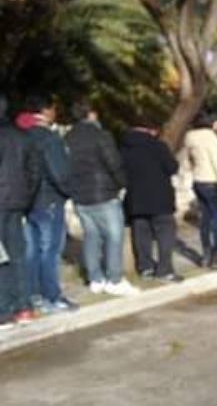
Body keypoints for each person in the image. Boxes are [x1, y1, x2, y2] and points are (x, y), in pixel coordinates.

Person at [66, 103, 138, 296]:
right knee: (114, 237)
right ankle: (115, 279)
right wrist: (122, 184)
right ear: (91, 114)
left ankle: (95, 279)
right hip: (104, 193)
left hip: (80, 196)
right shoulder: (101, 136)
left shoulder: (68, 138)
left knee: (91, 236)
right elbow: (113, 163)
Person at [16, 97, 79, 314]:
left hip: (27, 202)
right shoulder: (49, 138)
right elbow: (59, 172)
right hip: (49, 199)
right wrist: (69, 191)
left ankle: (33, 295)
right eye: (53, 108)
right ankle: (52, 296)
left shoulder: (21, 135)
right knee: (50, 251)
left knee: (32, 251)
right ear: (45, 110)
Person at [120, 120, 183, 283]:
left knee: (141, 234)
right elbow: (172, 168)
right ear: (151, 130)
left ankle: (145, 267)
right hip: (160, 198)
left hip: (135, 198)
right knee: (165, 233)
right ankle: (164, 270)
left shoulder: (123, 148)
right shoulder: (157, 146)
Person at [0, 96, 41, 327]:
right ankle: (24, 307)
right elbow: (34, 171)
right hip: (17, 203)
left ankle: (4, 310)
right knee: (18, 255)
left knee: (1, 259)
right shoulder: (22, 136)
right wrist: (26, 198)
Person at [185, 112, 217, 270]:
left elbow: (189, 159)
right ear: (211, 122)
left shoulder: (190, 136)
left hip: (198, 180)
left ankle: (206, 256)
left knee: (205, 219)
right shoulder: (211, 137)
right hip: (212, 180)